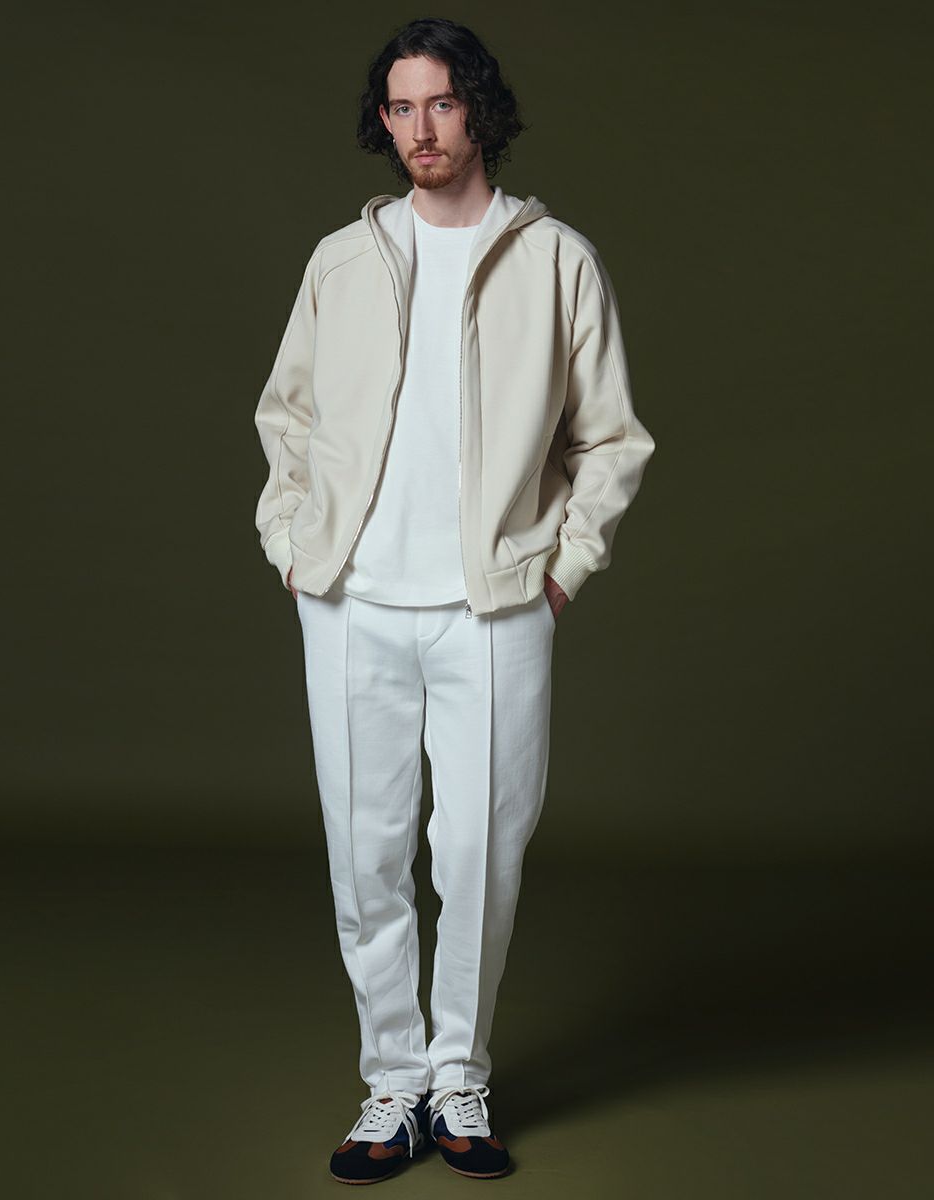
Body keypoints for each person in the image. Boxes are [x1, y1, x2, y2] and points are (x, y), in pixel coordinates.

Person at [253, 16, 656, 1185]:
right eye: (399, 106)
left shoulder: (555, 260)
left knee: (481, 855)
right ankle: (392, 1083)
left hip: (495, 606)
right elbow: (286, 416)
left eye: (440, 102)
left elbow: (611, 439)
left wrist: (562, 568)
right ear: (382, 122)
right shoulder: (343, 260)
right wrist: (291, 542)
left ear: (478, 108)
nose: (419, 128)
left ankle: (458, 1076)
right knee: (365, 855)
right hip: (350, 602)